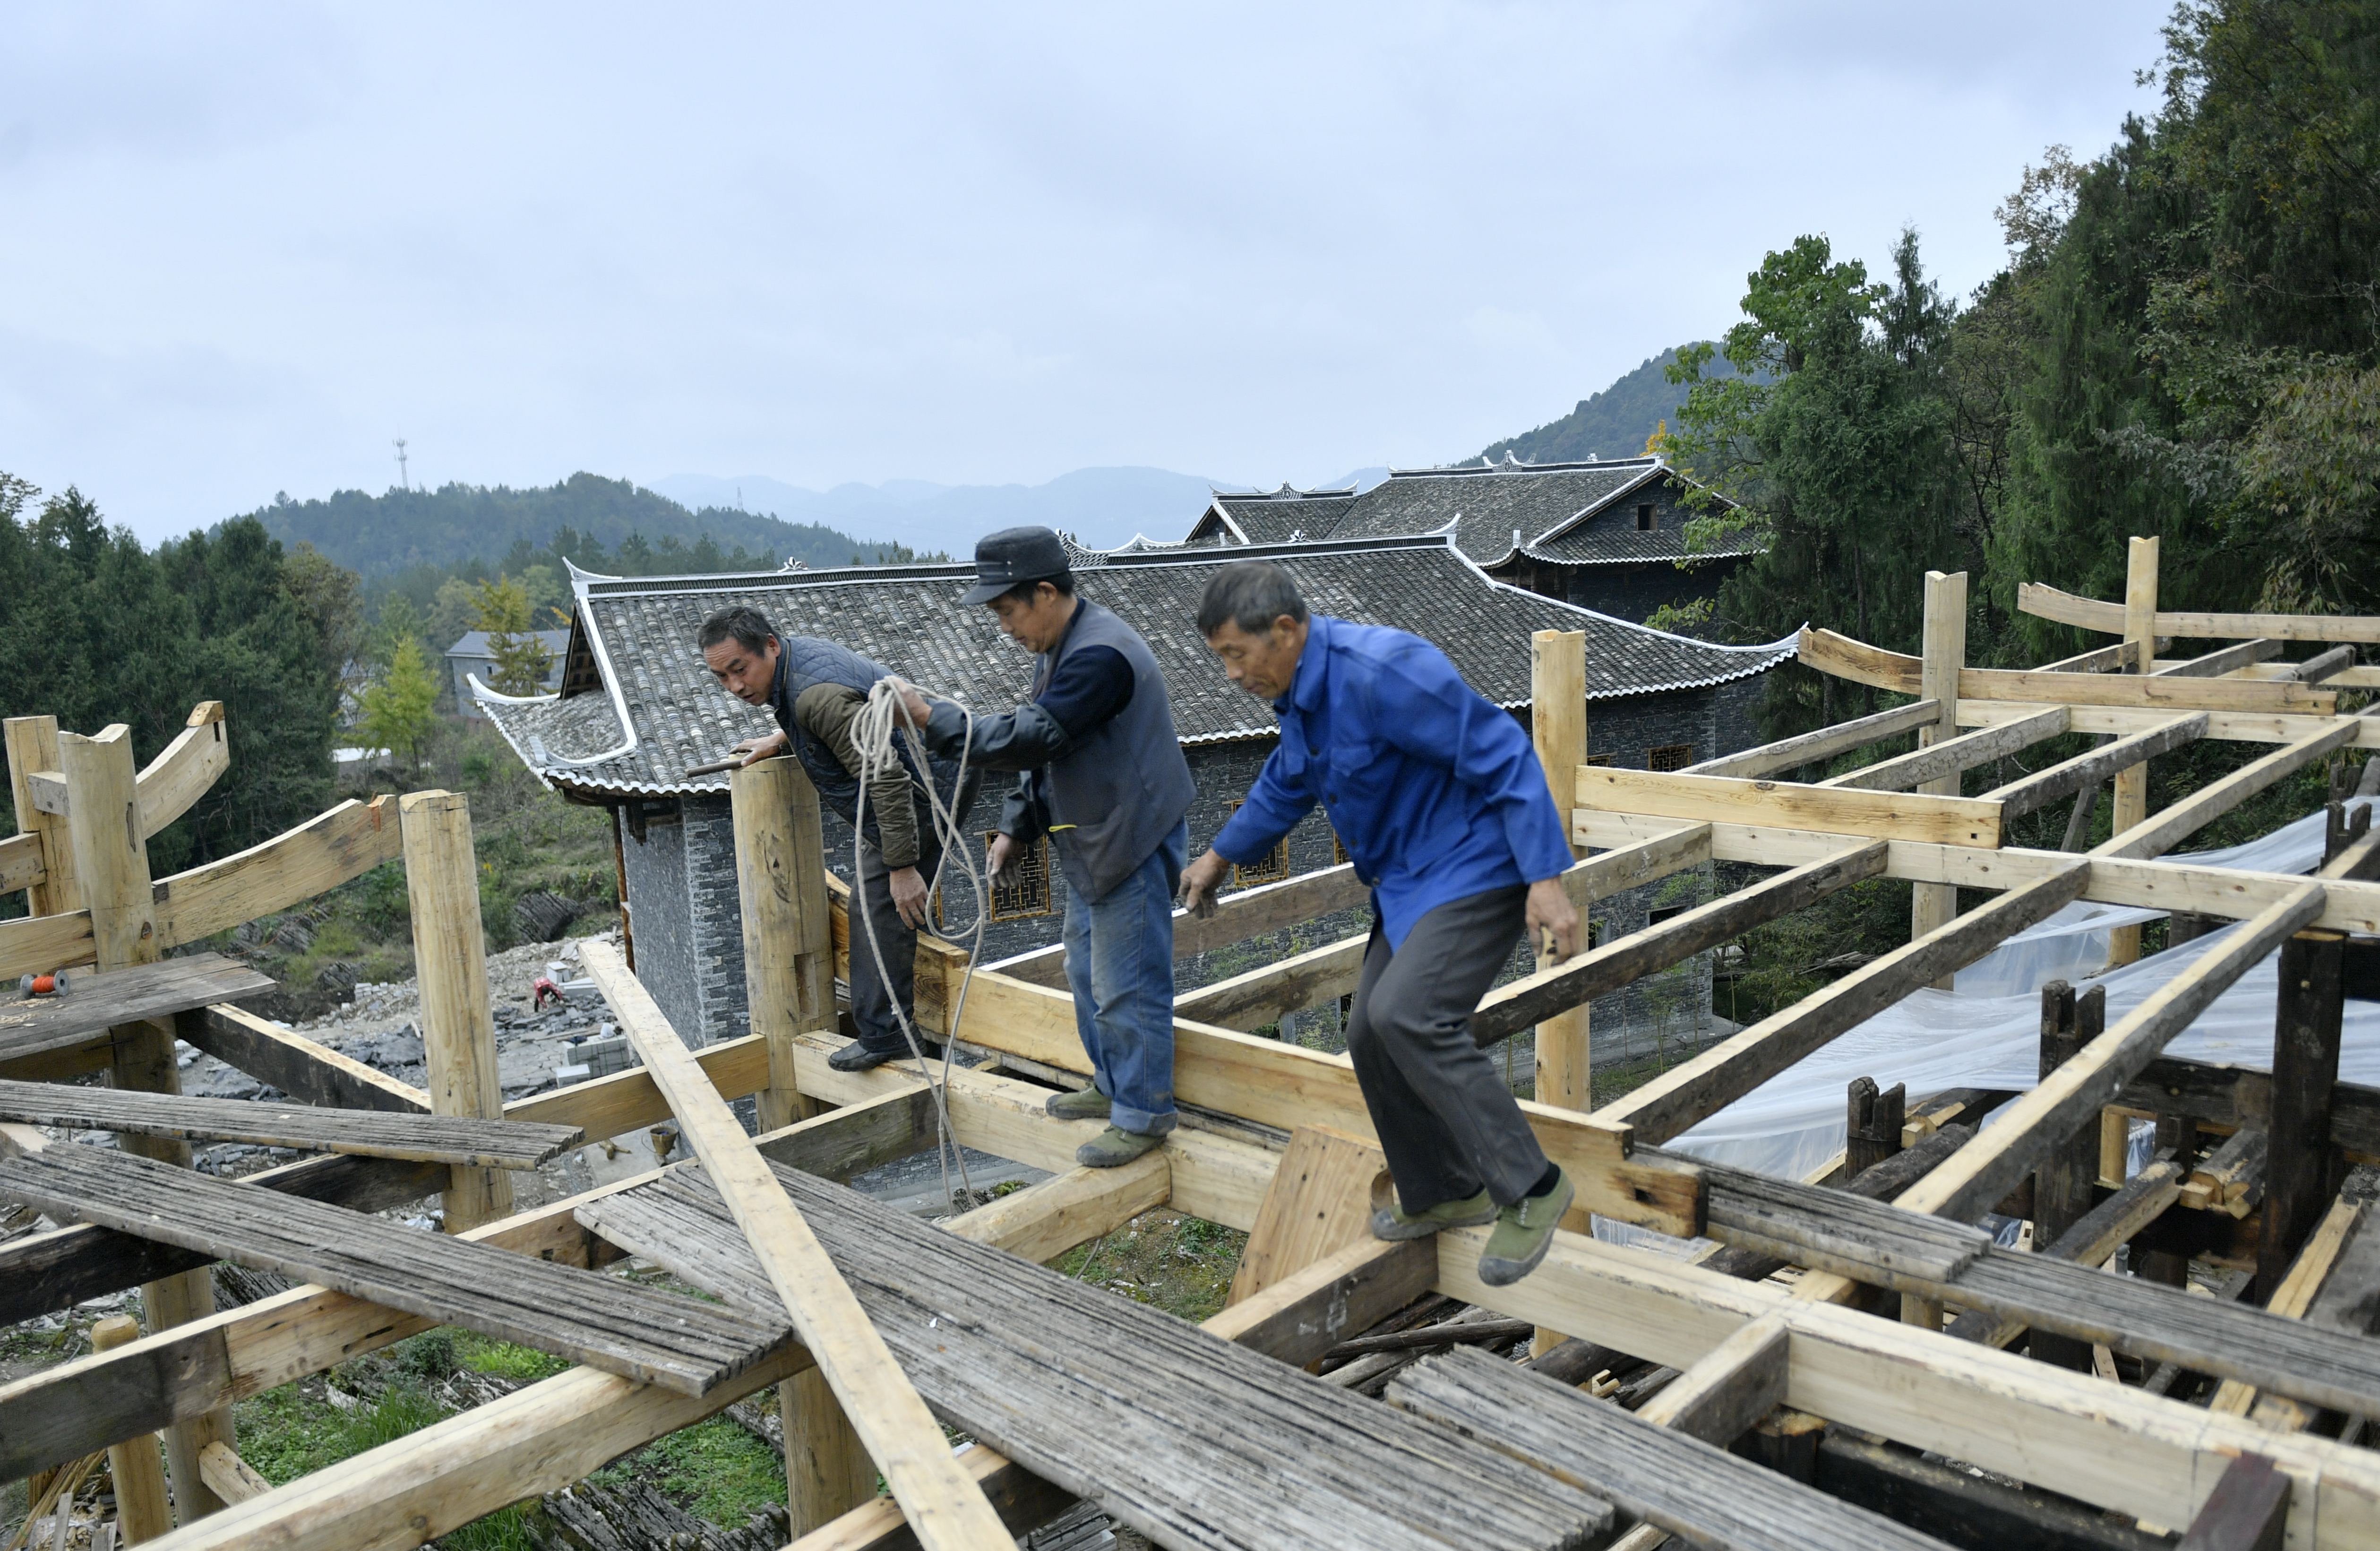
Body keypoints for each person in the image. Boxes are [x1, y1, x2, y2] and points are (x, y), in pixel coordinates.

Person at [1177, 561, 1582, 1286]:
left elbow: (1506, 757)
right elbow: (1289, 779)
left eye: (1236, 655)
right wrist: (1219, 855)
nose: (1232, 675)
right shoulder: (1301, 694)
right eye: (1222, 660)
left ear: (1286, 631)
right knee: (1369, 1028)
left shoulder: (1386, 670)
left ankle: (1533, 1187)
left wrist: (1546, 881)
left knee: (1409, 1015)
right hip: (1408, 882)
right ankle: (1445, 1189)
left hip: (1481, 863)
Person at [898, 526, 1196, 1169]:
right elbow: (1047, 749)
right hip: (1092, 837)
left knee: (1127, 982)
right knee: (1086, 971)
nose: (1003, 625)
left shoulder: (1100, 656)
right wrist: (1016, 825)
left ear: (1043, 592)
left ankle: (1144, 1113)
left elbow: (1033, 735)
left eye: (1006, 610)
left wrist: (931, 719)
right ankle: (1112, 1082)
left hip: (1131, 836)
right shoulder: (1060, 648)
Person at [697, 605, 975, 1072]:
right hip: (916, 777)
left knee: (879, 906)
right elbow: (832, 712)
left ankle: (890, 1036)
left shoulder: (813, 696)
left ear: (769, 645)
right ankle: (901, 1029)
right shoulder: (796, 666)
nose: (736, 687)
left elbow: (886, 778)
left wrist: (903, 867)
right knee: (877, 897)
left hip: (925, 785)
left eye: (739, 670)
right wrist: (780, 738)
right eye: (722, 677)